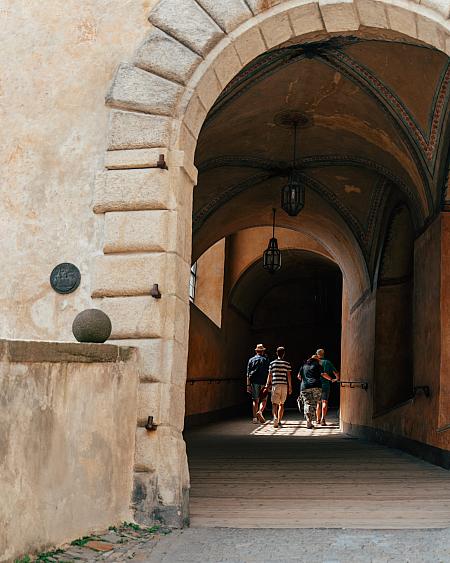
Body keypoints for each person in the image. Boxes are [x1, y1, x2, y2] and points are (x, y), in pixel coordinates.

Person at [298, 355, 335, 429]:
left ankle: (308, 421)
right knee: (314, 403)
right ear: (317, 360)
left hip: (305, 387)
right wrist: (331, 379)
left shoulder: (304, 365)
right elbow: (323, 374)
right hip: (316, 386)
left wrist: (305, 380)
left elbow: (299, 376)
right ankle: (310, 420)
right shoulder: (318, 365)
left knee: (307, 403)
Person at [266, 346, 292, 428]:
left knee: (274, 404)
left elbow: (270, 375)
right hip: (284, 385)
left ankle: (275, 418)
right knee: (282, 404)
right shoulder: (287, 364)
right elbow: (288, 375)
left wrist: (267, 384)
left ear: (277, 353)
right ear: (284, 354)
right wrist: (290, 386)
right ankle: (280, 421)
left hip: (275, 385)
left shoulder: (272, 363)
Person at [315, 348, 340, 426]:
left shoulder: (316, 362)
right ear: (323, 354)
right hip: (326, 385)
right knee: (324, 402)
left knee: (318, 403)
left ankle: (317, 419)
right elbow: (336, 373)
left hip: (317, 385)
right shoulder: (328, 362)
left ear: (317, 354)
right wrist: (336, 379)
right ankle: (323, 419)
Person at [246, 344, 270, 423]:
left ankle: (254, 418)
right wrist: (269, 384)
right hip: (263, 382)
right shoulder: (266, 360)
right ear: (263, 351)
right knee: (264, 400)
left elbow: (248, 374)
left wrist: (248, 385)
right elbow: (269, 373)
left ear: (256, 351)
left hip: (254, 382)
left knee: (255, 400)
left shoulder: (251, 360)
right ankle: (260, 411)